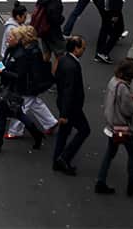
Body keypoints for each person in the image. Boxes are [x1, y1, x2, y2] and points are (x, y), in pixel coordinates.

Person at [0, 27, 45, 152]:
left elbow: (19, 76)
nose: (8, 38)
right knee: (14, 114)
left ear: (17, 40)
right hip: (6, 87)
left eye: (11, 37)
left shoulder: (21, 55)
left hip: (14, 90)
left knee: (6, 114)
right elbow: (3, 65)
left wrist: (4, 73)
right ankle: (36, 135)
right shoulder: (10, 50)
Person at [95, 58, 133, 197]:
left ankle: (100, 181)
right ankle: (132, 185)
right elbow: (128, 111)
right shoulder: (123, 87)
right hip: (122, 127)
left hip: (112, 125)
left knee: (110, 153)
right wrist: (131, 102)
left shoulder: (113, 81)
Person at [4, 26, 58, 139]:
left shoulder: (30, 52)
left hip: (28, 84)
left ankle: (15, 131)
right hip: (31, 84)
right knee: (34, 104)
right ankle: (50, 122)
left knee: (22, 106)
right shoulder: (32, 49)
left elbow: (30, 71)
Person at [53, 36, 91, 176]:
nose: (84, 50)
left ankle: (57, 160)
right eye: (83, 48)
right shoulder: (73, 66)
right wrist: (64, 114)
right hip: (71, 107)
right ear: (76, 48)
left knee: (64, 133)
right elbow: (69, 90)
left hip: (64, 104)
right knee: (84, 130)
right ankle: (64, 158)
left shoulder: (63, 60)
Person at [36, 0, 65, 74]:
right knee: (60, 55)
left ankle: (40, 75)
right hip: (53, 33)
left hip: (43, 30)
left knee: (46, 54)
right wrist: (62, 18)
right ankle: (53, 79)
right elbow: (55, 19)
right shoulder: (55, 0)